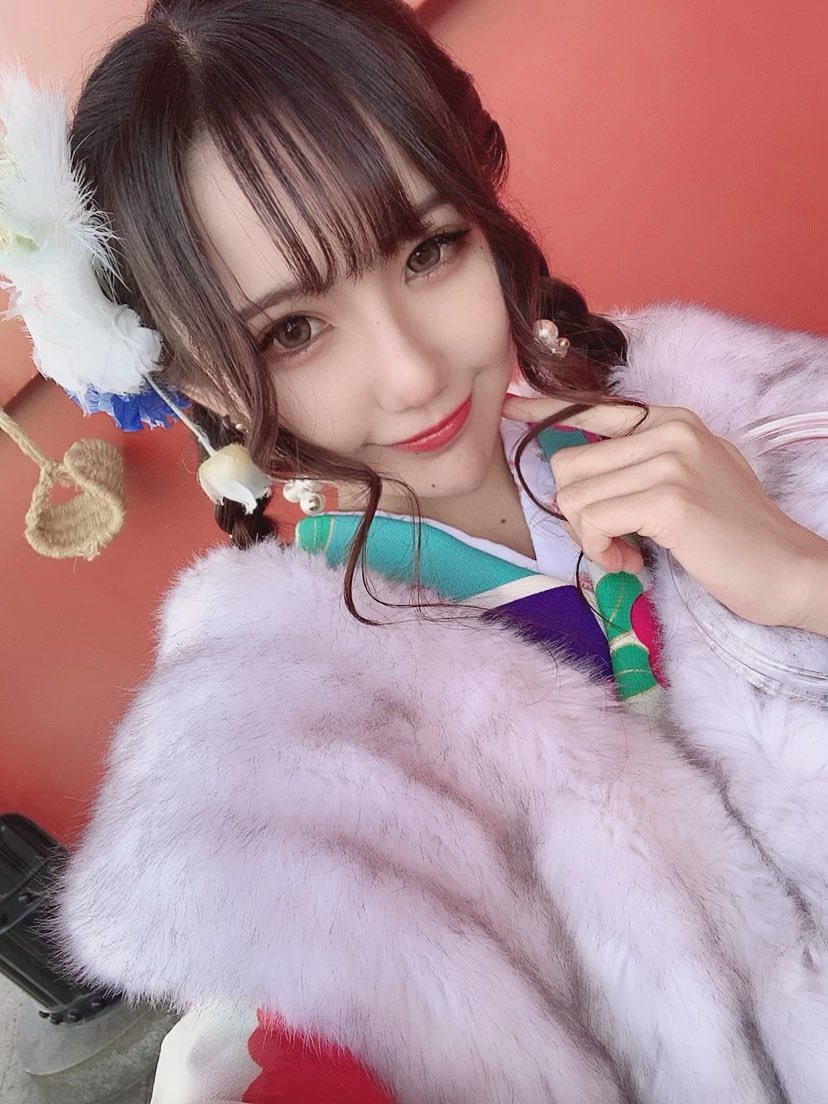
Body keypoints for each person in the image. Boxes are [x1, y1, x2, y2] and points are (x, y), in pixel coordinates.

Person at [1, 0, 826, 1100]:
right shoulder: (285, 759)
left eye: (428, 251)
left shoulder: (735, 405)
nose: (412, 374)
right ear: (197, 380)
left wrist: (798, 580)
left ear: (484, 204)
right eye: (292, 332)